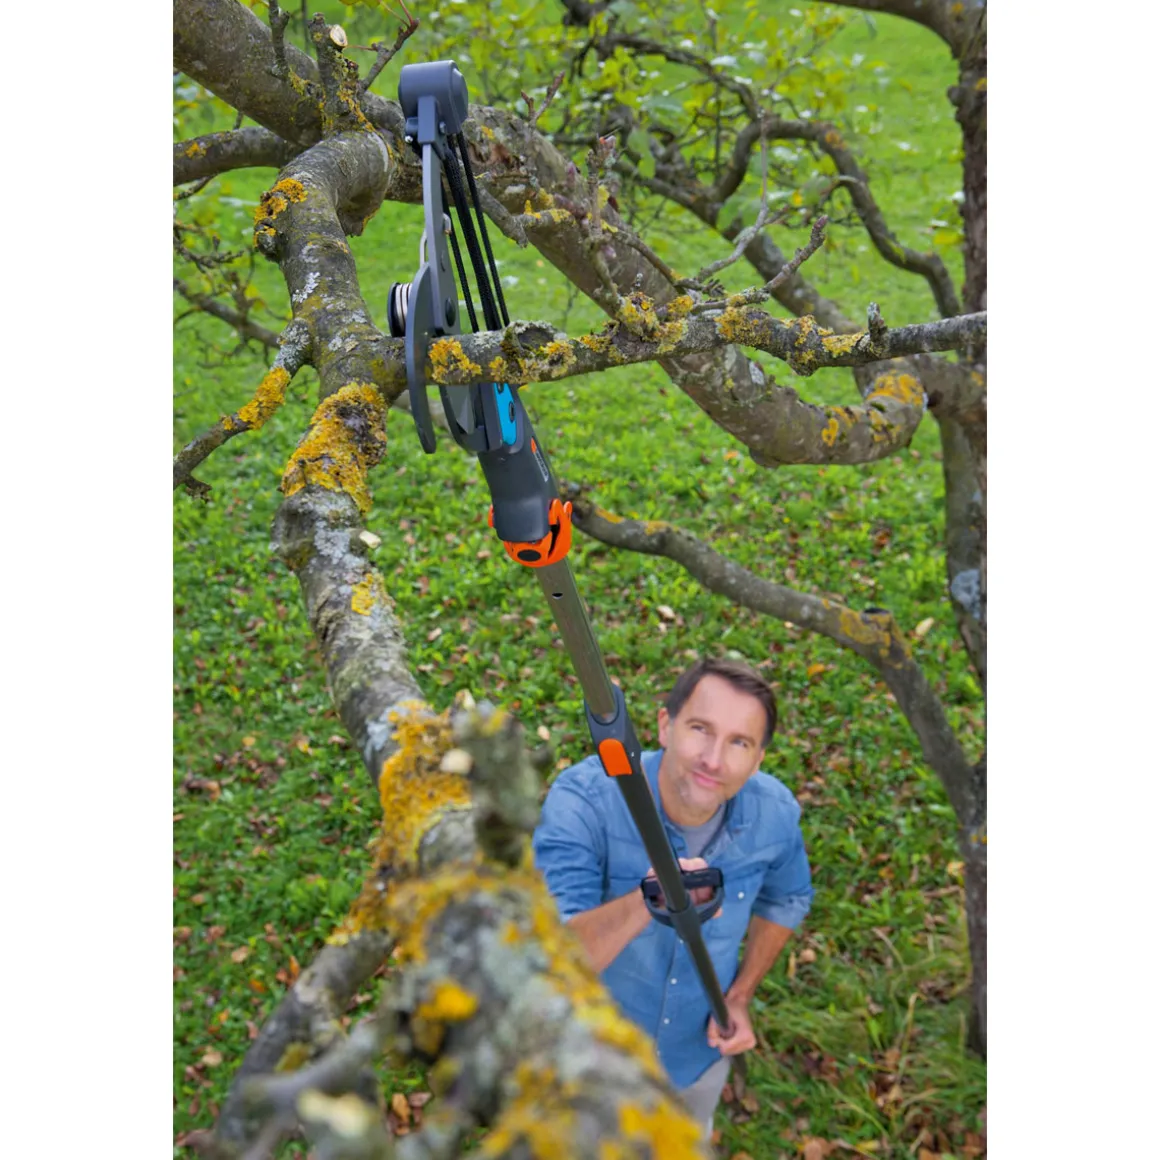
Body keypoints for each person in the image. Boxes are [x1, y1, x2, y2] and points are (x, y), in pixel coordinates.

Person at [532, 657, 813, 1138]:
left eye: (739, 742)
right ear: (665, 726)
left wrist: (740, 996)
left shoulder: (774, 814)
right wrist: (651, 898)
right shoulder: (585, 801)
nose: (714, 760)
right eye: (701, 729)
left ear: (758, 759)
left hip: (694, 1062)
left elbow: (787, 898)